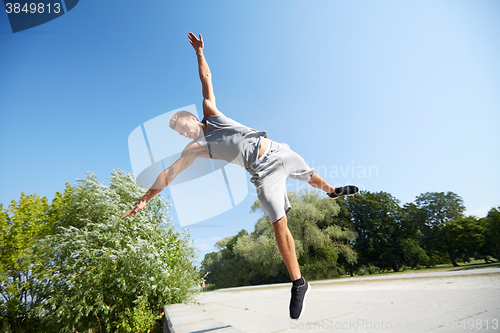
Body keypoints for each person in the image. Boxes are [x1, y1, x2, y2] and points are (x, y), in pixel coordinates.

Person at [122, 32, 359, 320]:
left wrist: (199, 52)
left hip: (276, 150)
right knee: (278, 223)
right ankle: (299, 283)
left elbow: (206, 79)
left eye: (184, 125)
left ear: (193, 118)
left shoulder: (211, 112)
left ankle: (332, 191)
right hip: (261, 173)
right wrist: (145, 198)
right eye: (180, 132)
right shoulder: (194, 149)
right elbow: (169, 172)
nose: (184, 131)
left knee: (308, 174)